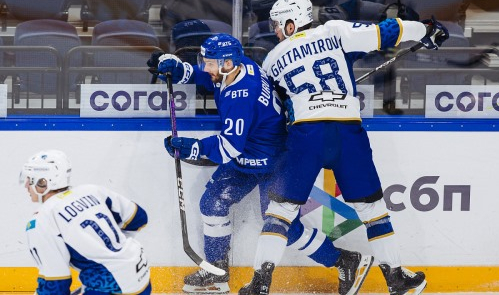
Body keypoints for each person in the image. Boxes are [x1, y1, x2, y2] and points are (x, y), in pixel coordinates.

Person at [239, 0, 449, 295]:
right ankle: (395, 278)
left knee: (280, 210)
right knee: (372, 208)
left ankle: (260, 283)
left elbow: (277, 104)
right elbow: (386, 32)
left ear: (290, 22)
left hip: (305, 135)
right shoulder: (334, 31)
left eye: (277, 24)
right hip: (347, 132)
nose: (275, 30)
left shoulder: (272, 59)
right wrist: (424, 30)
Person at [153, 33, 373, 295]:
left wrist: (192, 146)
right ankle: (217, 272)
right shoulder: (241, 65)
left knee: (284, 229)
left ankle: (345, 261)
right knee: (212, 203)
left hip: (277, 162)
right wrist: (182, 71)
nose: (206, 67)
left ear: (226, 64)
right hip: (249, 156)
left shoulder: (241, 96)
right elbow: (210, 78)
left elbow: (227, 147)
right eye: (205, 61)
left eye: (210, 63)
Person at [20, 150, 151, 295]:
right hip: (142, 275)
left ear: (43, 182)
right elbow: (139, 218)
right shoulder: (91, 190)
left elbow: (55, 285)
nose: (26, 185)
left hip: (113, 290)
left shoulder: (42, 220)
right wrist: (114, 254)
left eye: (30, 179)